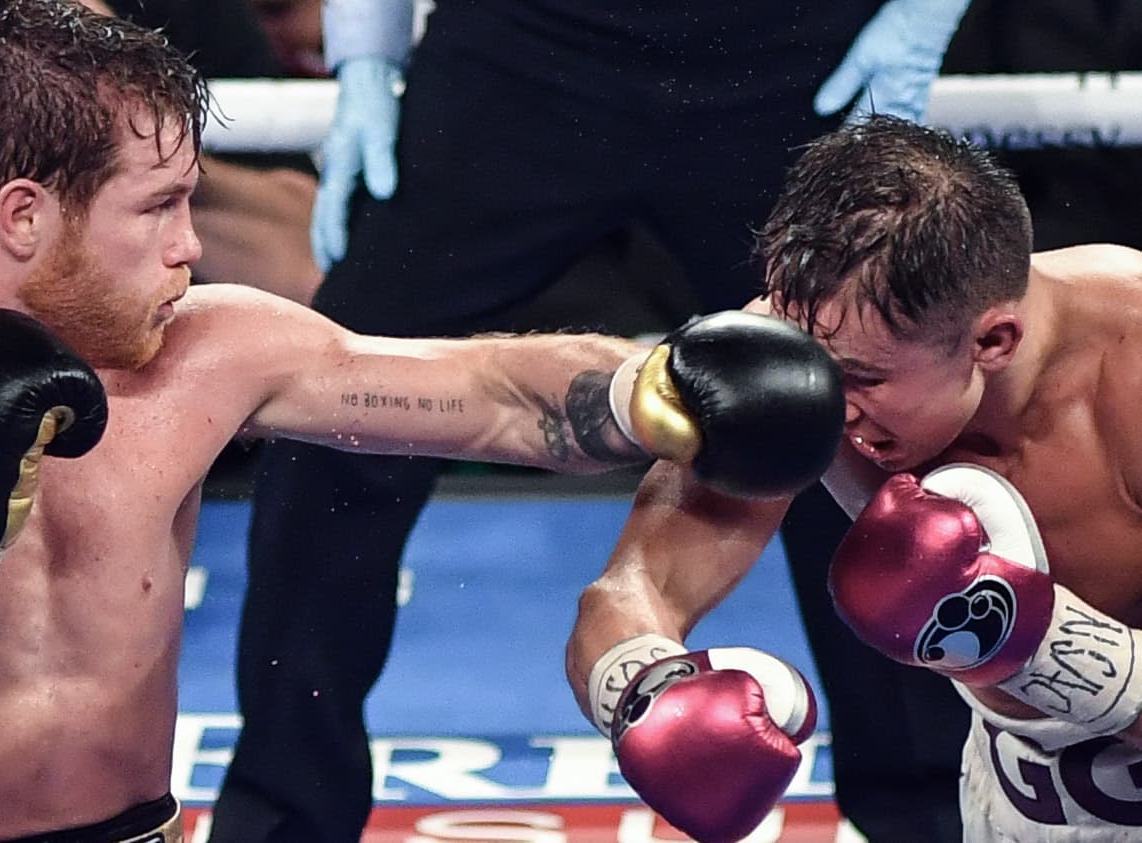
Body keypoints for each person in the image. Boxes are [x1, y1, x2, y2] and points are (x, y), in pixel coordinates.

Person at [0, 2, 848, 839]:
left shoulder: (205, 352)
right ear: (22, 215)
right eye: (159, 207)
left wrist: (659, 388)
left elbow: (492, 395)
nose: (192, 245)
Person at [221, 1, 976, 841]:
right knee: (342, 404)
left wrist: (922, 14)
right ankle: (283, 817)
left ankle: (930, 816)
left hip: (784, 52)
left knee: (846, 404)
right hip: (528, 48)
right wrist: (365, 55)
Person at [568, 114, 1142, 842]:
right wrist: (644, 685)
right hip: (1019, 806)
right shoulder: (799, 355)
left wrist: (1045, 646)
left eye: (862, 378)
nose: (826, 409)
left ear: (992, 341)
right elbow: (631, 589)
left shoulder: (1130, 367)